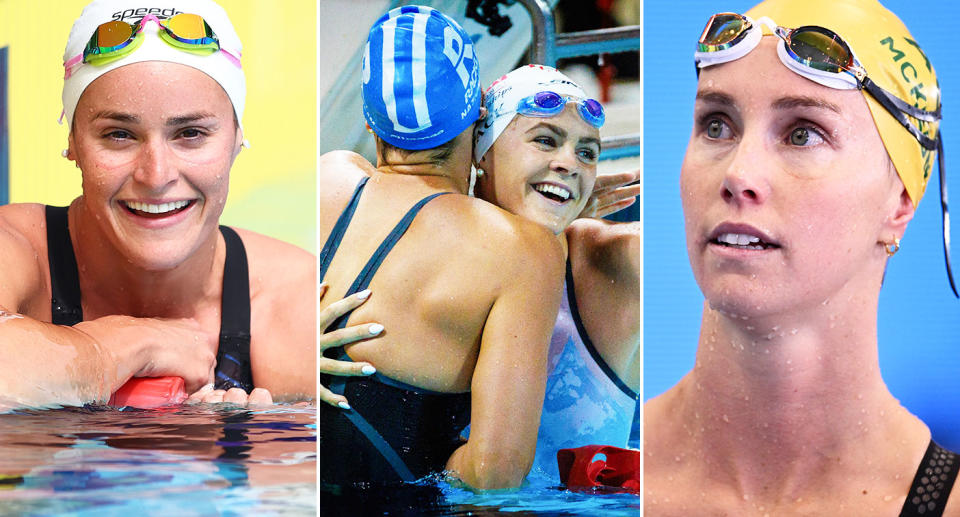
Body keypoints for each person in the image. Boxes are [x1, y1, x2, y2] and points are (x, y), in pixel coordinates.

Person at [643, 1, 958, 515]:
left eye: (803, 133)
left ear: (899, 202)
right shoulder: (614, 474)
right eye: (717, 125)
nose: (738, 174)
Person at [0, 0, 315, 410]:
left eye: (190, 133)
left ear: (238, 139)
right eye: (118, 135)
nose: (156, 174)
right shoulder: (17, 250)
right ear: (73, 142)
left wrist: (248, 457)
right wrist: (121, 347)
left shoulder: (296, 303)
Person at [317, 6, 565, 490]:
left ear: (370, 124)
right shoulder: (522, 252)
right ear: (478, 115)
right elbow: (493, 476)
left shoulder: (328, 178)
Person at [471, 64, 642, 479]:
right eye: (545, 141)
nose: (569, 163)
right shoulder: (429, 250)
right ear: (483, 156)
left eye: (586, 153)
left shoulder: (612, 261)